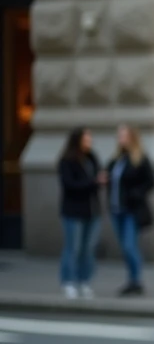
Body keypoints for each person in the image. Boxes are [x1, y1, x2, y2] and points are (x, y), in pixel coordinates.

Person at [106, 124, 154, 296]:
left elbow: (151, 182)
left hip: (131, 210)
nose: (120, 139)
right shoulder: (116, 160)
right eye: (119, 136)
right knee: (125, 246)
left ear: (132, 138)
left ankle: (136, 280)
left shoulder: (140, 158)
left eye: (123, 136)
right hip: (116, 209)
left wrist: (136, 193)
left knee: (129, 245)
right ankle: (131, 279)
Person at [58, 127, 104, 299]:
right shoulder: (67, 160)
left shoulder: (92, 158)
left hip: (92, 210)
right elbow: (70, 185)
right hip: (73, 211)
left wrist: (99, 181)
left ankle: (84, 281)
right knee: (73, 247)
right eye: (86, 139)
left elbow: (97, 178)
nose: (89, 142)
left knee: (89, 248)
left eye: (90, 139)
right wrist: (93, 182)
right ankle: (68, 281)